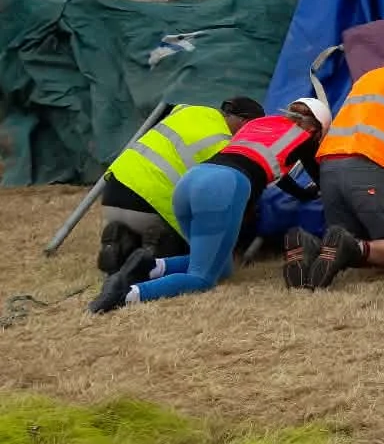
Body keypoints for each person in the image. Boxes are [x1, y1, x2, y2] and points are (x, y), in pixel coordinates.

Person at [90, 99, 329, 313]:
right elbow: (320, 177)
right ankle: (127, 293)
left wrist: (301, 194)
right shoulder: (305, 137)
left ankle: (150, 266)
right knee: (202, 278)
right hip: (224, 186)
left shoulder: (259, 125)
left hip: (189, 181)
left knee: (221, 265)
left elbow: (274, 169)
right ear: (314, 129)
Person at [287, 41, 384, 288]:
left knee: (349, 242)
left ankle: (308, 246)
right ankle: (349, 247)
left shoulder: (368, 78)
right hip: (372, 166)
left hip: (329, 167)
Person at [95, 97, 264, 274]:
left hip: (113, 190)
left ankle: (121, 241)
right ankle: (157, 247)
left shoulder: (189, 110)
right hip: (153, 206)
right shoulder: (224, 145)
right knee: (197, 250)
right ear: (245, 122)